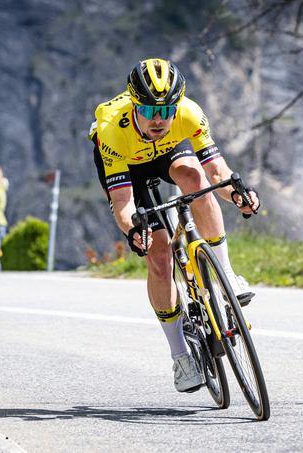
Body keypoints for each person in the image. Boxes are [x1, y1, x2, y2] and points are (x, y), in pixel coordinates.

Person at [88, 58, 260, 393]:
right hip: (128, 166)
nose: (159, 119)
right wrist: (134, 231)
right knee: (160, 253)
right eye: (150, 110)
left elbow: (218, 174)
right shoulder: (111, 129)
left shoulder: (188, 114)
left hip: (169, 153)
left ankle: (226, 275)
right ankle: (180, 355)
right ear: (135, 105)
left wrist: (239, 195)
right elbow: (123, 205)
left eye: (166, 110)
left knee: (195, 180)